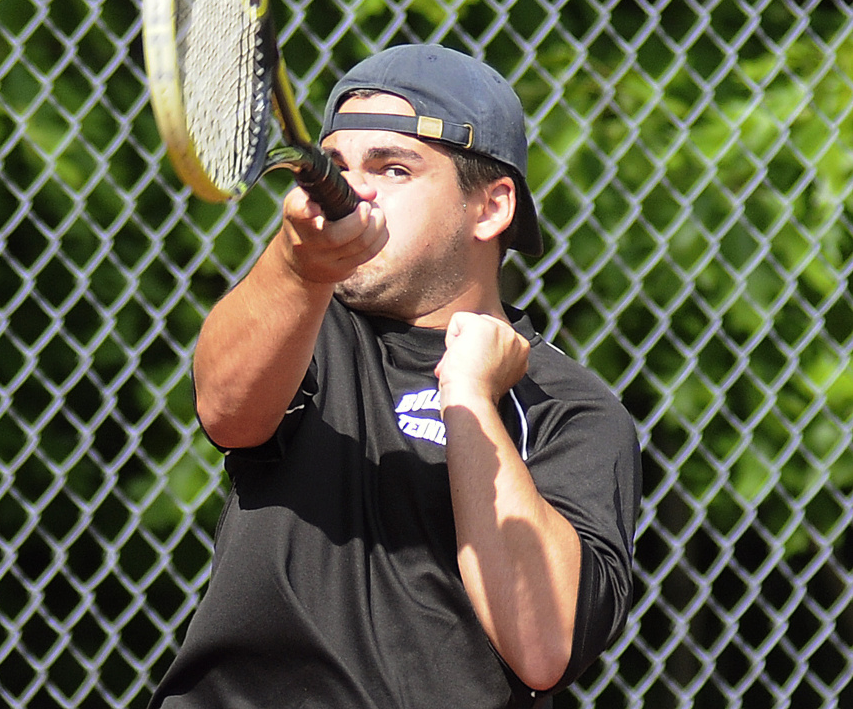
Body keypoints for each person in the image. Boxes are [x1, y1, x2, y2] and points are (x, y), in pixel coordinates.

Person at [149, 43, 641, 709]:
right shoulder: (302, 324)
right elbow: (227, 408)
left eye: (394, 167)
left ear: (491, 208)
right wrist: (298, 267)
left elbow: (541, 642)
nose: (355, 188)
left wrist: (468, 398)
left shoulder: (569, 408)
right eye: (340, 166)